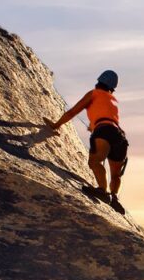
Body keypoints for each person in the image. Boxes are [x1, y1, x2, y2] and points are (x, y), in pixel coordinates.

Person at [45, 70, 129, 209]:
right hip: (120, 137)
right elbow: (107, 117)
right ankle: (114, 198)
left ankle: (102, 190)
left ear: (98, 82)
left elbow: (72, 112)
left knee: (95, 161)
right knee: (115, 175)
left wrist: (56, 125)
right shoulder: (113, 101)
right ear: (112, 88)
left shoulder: (93, 94)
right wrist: (93, 125)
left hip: (104, 131)